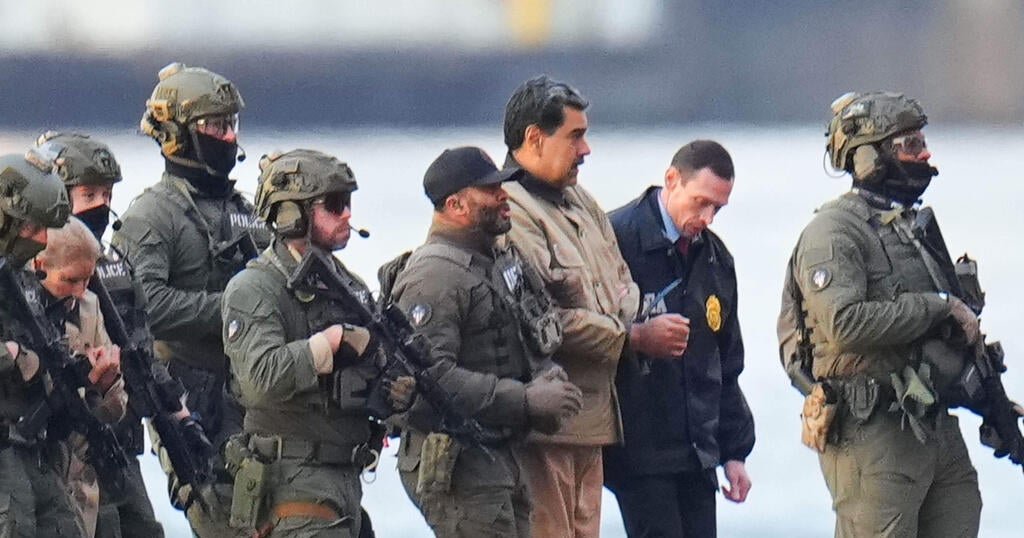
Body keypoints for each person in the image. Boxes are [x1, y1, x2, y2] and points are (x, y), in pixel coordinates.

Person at [778, 92, 982, 537]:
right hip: (872, 436)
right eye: (910, 145)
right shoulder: (833, 232)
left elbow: (938, 336)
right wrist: (939, 305)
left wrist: (985, 396)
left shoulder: (909, 228)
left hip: (932, 427)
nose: (924, 155)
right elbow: (844, 324)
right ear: (870, 156)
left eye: (922, 143)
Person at [501, 75, 686, 537]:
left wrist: (629, 319)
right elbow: (542, 319)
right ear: (534, 138)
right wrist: (632, 338)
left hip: (595, 423)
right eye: (575, 136)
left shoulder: (581, 201)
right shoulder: (511, 212)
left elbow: (623, 284)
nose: (586, 150)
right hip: (544, 431)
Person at [390, 146, 584, 537]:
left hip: (500, 454)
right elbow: (426, 380)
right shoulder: (434, 277)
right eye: (490, 190)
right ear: (455, 205)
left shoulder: (495, 260)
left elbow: (530, 335)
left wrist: (546, 377)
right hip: (459, 463)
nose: (503, 197)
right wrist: (525, 399)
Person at [111, 62, 270, 536]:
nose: (229, 136)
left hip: (254, 394)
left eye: (232, 124)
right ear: (178, 135)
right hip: (191, 399)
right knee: (224, 519)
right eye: (215, 126)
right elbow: (148, 309)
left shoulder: (245, 211)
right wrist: (238, 309)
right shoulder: (151, 216)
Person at [222, 149, 397, 537]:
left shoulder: (347, 285)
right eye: (334, 204)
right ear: (292, 214)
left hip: (345, 478)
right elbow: (260, 377)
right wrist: (328, 344)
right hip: (294, 482)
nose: (347, 214)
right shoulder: (256, 287)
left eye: (347, 202)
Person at [604, 140, 754, 537]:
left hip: (697, 452)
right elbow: (581, 333)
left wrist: (734, 452)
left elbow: (726, 363)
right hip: (638, 450)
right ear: (672, 180)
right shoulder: (615, 240)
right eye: (701, 203)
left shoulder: (715, 258)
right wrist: (636, 337)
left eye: (718, 208)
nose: (707, 218)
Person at [0, 152, 81, 536]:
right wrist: (12, 356)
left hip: (34, 447)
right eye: (33, 227)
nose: (43, 240)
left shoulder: (19, 278)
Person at [33, 217, 129, 538]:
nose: (80, 290)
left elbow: (117, 404)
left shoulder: (89, 306)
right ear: (39, 265)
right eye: (71, 279)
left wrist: (103, 386)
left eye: (88, 279)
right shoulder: (17, 309)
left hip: (77, 472)